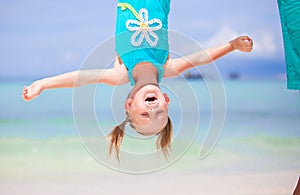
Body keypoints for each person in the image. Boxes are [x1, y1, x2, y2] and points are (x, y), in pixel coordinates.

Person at [22, 0, 253, 161]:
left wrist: (44, 83)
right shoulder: (167, 68)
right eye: (159, 114)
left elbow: (81, 79)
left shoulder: (119, 73)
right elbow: (201, 57)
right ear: (166, 100)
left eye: (144, 114)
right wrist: (232, 45)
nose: (152, 110)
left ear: (129, 103)